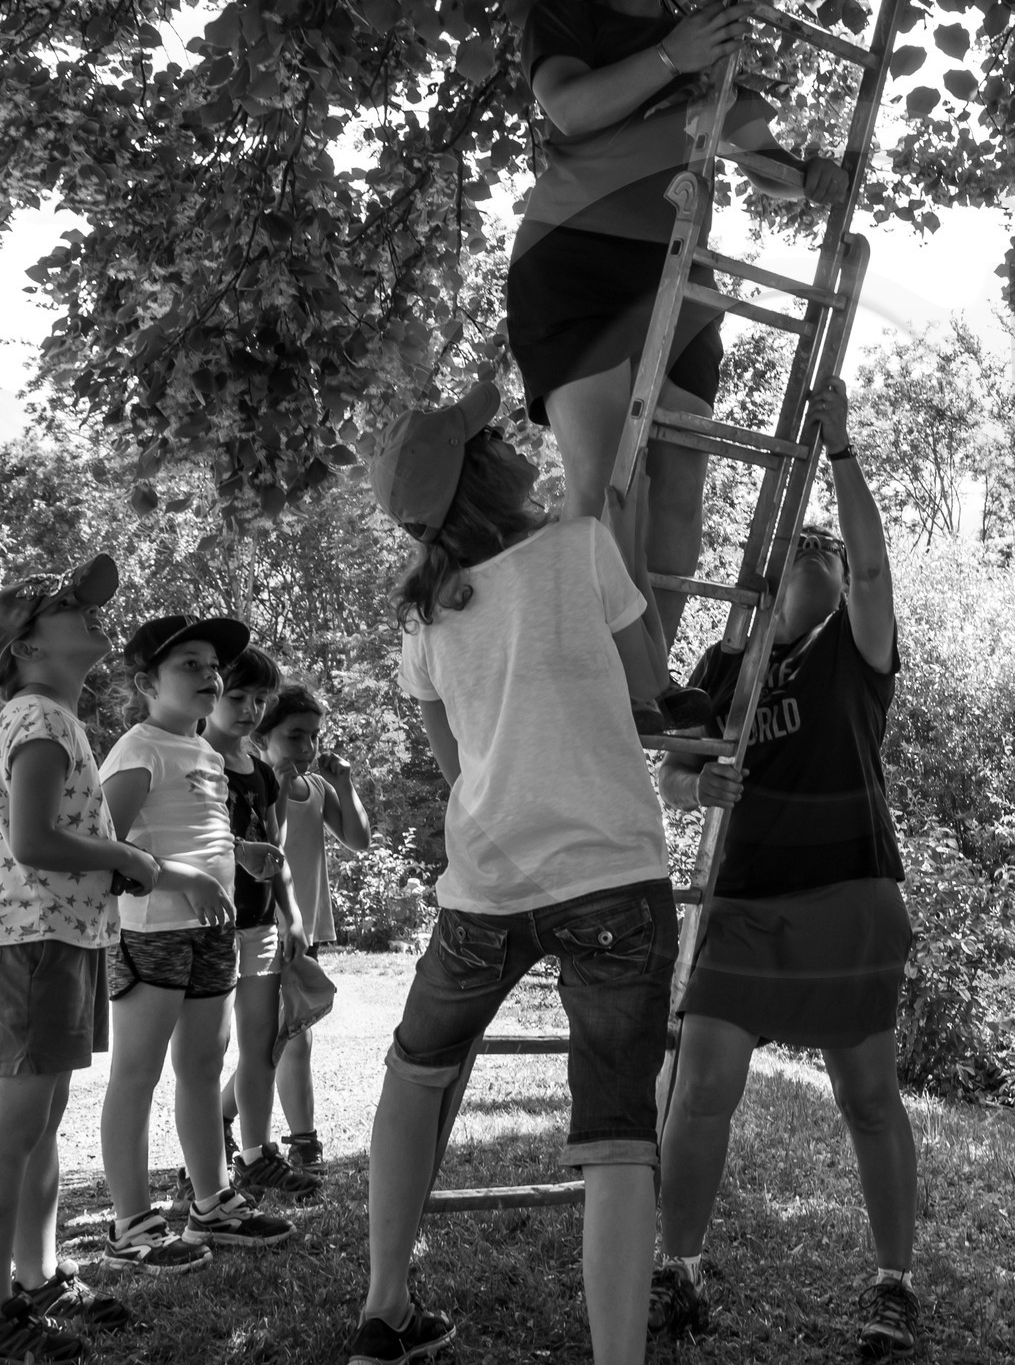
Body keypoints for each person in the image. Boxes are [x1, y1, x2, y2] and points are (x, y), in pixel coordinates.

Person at [351, 382, 679, 1365]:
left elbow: (456, 766)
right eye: (488, 436)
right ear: (487, 472)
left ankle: (385, 1306)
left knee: (415, 1073)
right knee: (618, 1131)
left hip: (485, 888)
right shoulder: (582, 549)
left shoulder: (425, 616)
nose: (504, 437)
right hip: (613, 876)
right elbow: (651, 683)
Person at [508, 0, 850, 654]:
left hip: (679, 274)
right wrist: (671, 55)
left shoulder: (699, 36)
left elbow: (758, 153)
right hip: (576, 260)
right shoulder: (567, 16)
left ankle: (649, 681)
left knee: (680, 492)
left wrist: (810, 177)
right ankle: (592, 677)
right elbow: (569, 107)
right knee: (603, 483)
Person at [651, 377, 922, 1359]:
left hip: (848, 899)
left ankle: (893, 1283)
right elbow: (679, 773)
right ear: (768, 574)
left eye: (829, 553)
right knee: (700, 1089)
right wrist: (696, 788)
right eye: (799, 549)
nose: (817, 558)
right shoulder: (729, 668)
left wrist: (842, 450)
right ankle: (676, 1270)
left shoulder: (856, 650)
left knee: (866, 1099)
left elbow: (880, 565)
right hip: (746, 906)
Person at [99, 614, 294, 1271]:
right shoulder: (138, 749)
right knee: (137, 1074)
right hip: (152, 935)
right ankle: (131, 1227)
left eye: (214, 665)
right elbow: (106, 851)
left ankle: (211, 1205)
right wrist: (186, 878)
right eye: (190, 664)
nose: (210, 674)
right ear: (145, 683)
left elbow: (190, 832)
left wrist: (240, 853)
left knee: (204, 1069)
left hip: (210, 936)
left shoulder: (205, 752)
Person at [0, 555, 155, 1360]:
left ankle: (39, 1277)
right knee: (16, 1125)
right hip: (38, 941)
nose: (90, 614)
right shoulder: (40, 718)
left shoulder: (47, 718)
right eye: (66, 606)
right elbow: (32, 841)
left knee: (42, 1121)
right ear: (26, 649)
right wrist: (124, 858)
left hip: (58, 937)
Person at [202, 648, 319, 1201]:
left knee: (260, 1045)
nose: (250, 710)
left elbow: (276, 855)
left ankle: (255, 1155)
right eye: (238, 697)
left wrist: (291, 917)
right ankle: (201, 1170)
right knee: (207, 1053)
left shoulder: (262, 774)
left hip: (260, 927)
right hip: (206, 927)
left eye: (260, 700)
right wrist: (238, 849)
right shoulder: (193, 758)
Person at [251, 683, 372, 1174]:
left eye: (314, 737)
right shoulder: (257, 781)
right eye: (294, 736)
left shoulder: (317, 788)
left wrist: (343, 783)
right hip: (270, 926)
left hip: (307, 930)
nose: (307, 749)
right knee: (289, 1037)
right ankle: (303, 1143)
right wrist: (276, 784)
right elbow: (270, 842)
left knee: (289, 1034)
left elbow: (359, 840)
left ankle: (226, 1117)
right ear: (263, 736)